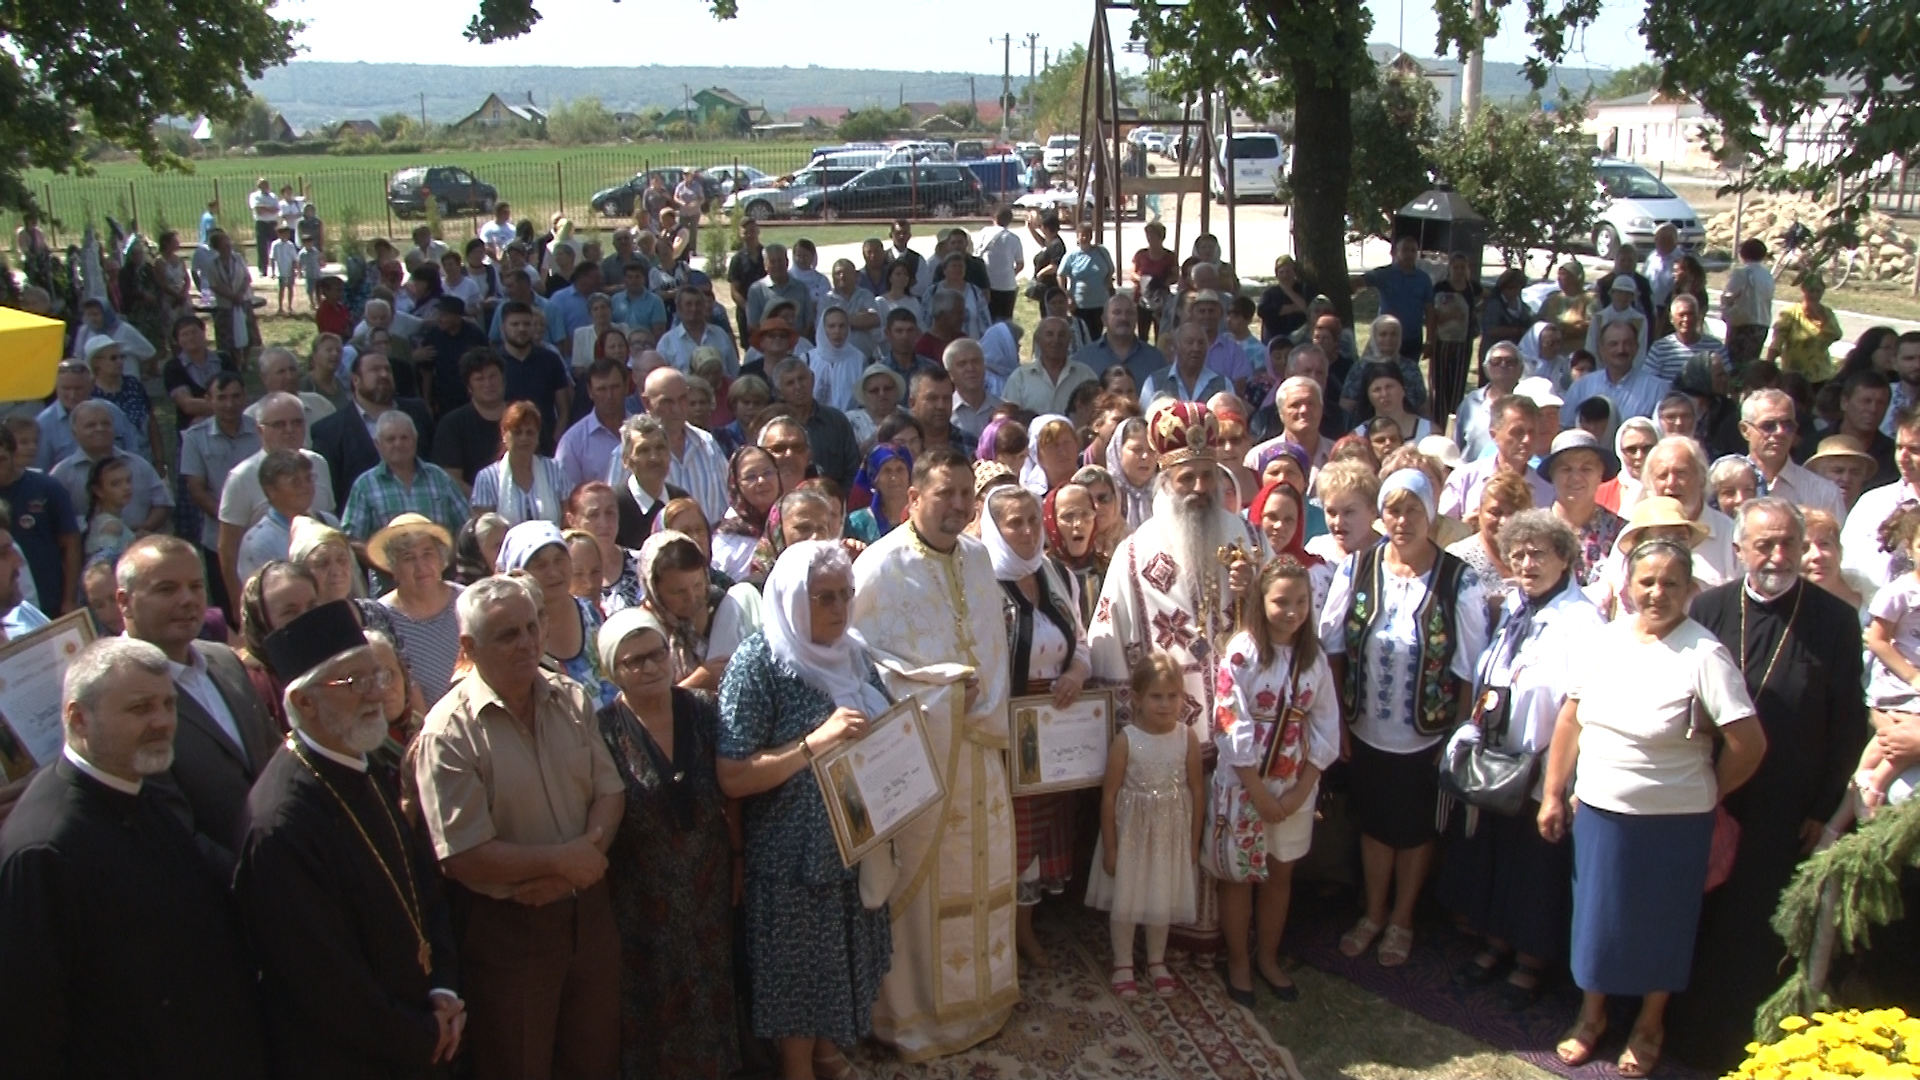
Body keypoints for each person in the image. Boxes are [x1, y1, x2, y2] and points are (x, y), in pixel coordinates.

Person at [1537, 538, 1766, 1078]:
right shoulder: (1604, 639)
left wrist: (1710, 790)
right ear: (1629, 585)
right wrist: (1552, 791)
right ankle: (1591, 1018)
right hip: (1599, 812)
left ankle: (1648, 1026)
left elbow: (1749, 744)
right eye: (1647, 581)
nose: (1657, 592)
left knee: (1662, 926)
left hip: (1675, 823)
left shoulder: (1704, 653)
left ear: (1689, 589)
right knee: (1596, 921)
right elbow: (1570, 719)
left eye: (1670, 583)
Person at [0, 638, 269, 1079]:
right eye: (141, 708)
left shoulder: (141, 792)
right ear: (78, 718)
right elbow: (27, 1030)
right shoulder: (45, 849)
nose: (163, 722)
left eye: (167, 705)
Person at [1667, 498, 1870, 1070]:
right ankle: (1673, 1032)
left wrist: (1825, 806)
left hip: (1785, 803)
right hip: (1706, 790)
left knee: (1753, 929)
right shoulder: (1708, 607)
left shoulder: (1833, 620)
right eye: (1764, 545)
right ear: (1739, 550)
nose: (1777, 556)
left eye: (1788, 544)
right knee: (1696, 917)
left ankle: (1738, 1049)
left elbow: (1847, 722)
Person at [234, 602, 465, 1080]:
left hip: (426, 1030)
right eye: (352, 682)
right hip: (357, 1056)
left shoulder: (364, 764)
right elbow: (322, 978)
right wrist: (420, 1032)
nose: (374, 695)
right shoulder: (281, 823)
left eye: (376, 677)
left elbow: (423, 888)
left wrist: (443, 988)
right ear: (302, 703)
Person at [411, 576, 623, 1080]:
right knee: (519, 1063)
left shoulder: (570, 699)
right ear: (469, 646)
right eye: (508, 634)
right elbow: (462, 854)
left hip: (589, 916)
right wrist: (560, 864)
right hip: (510, 932)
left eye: (532, 627)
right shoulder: (448, 732)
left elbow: (610, 792)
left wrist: (577, 867)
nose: (527, 643)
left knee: (596, 1061)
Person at [849, 448, 1016, 1061]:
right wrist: (941, 691)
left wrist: (978, 705)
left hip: (977, 746)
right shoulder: (880, 566)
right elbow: (862, 667)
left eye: (964, 493)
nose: (956, 505)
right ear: (913, 497)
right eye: (943, 493)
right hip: (921, 755)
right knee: (920, 885)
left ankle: (984, 999)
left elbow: (993, 646)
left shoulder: (977, 558)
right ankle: (913, 1017)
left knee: (982, 873)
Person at [1089, 402, 1265, 951]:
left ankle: (1223, 934)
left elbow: (1281, 622)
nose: (1197, 486)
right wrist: (1131, 727)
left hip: (1236, 728)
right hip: (1165, 729)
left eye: (1207, 475)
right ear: (1165, 478)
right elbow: (1107, 637)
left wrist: (1250, 594)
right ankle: (1161, 934)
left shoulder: (1248, 541)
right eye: (1185, 475)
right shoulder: (1135, 550)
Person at [718, 541, 894, 1080]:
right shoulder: (760, 663)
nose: (840, 609)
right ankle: (797, 1069)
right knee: (797, 975)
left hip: (853, 843)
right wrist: (815, 743)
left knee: (840, 959)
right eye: (824, 598)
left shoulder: (854, 652)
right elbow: (732, 774)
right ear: (794, 599)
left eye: (846, 595)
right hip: (793, 858)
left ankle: (824, 1051)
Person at [1319, 470, 1488, 968]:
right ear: (1380, 514)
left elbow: (1467, 668)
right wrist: (1340, 722)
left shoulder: (1459, 579)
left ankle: (1402, 920)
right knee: (1375, 826)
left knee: (1415, 832)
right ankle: (1372, 913)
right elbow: (1332, 648)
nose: (1402, 519)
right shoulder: (1357, 568)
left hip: (1426, 735)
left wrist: (1455, 734)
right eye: (1393, 509)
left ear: (1431, 513)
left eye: (1413, 508)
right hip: (1367, 727)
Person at [1438, 510, 1601, 1009]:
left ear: (1565, 559)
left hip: (1544, 765)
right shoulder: (1513, 605)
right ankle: (1497, 943)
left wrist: (1559, 781)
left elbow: (1580, 701)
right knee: (1498, 854)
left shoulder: (1582, 620)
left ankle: (1531, 961)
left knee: (1536, 865)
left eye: (1538, 554)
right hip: (1498, 760)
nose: (1527, 563)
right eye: (1519, 554)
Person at [595, 606, 740, 1079]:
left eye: (655, 654)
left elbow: (730, 793)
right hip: (642, 894)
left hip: (709, 883)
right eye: (632, 661)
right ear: (611, 670)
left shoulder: (701, 710)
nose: (649, 667)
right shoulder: (603, 731)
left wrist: (738, 860)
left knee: (713, 989)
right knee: (654, 1001)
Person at [1208, 559, 1340, 1005]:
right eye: (1281, 601)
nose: (1292, 611)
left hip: (1294, 787)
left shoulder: (1314, 657)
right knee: (1240, 876)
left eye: (1301, 602)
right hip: (1245, 785)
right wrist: (1258, 791)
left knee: (1280, 873)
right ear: (1262, 602)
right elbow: (1229, 719)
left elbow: (1325, 725)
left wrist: (1302, 789)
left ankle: (1268, 956)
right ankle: (1239, 961)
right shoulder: (1242, 653)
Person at [117, 535, 281, 864]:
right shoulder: (117, 695)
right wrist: (253, 882)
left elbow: (275, 758)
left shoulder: (225, 661)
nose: (188, 600)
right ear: (124, 602)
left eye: (195, 586)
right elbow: (170, 834)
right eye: (167, 589)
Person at [982, 485, 1091, 968]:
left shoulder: (1055, 573)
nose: (1027, 532)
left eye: (1032, 520)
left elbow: (1082, 642)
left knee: (1046, 832)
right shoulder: (982, 582)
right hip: (1010, 729)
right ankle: (1007, 937)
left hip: (1057, 724)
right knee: (1016, 837)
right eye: (1014, 523)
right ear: (993, 528)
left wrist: (1075, 674)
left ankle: (1029, 927)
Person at [1085, 651, 1203, 999]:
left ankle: (1156, 960)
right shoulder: (1126, 741)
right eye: (1156, 696)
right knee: (1128, 897)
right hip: (1132, 834)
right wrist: (1111, 846)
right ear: (1136, 698)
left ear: (1183, 697)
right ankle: (1123, 962)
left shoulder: (1187, 738)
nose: (1165, 704)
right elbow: (1108, 797)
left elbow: (1197, 791)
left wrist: (1193, 842)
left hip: (1170, 835)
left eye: (1172, 696)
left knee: (1159, 895)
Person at [638, 529, 760, 693]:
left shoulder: (721, 607)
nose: (691, 597)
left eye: (697, 585)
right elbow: (644, 704)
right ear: (654, 591)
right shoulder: (643, 634)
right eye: (677, 591)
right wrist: (698, 681)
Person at [370, 515, 466, 707]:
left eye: (427, 554)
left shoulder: (467, 601)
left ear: (441, 560)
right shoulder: (381, 618)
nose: (421, 566)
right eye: (408, 558)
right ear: (393, 569)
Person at [1740, 388, 1848, 522]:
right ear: (1745, 430)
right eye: (1768, 426)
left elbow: (1835, 542)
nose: (1780, 432)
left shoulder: (1825, 493)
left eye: (1788, 425)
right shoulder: (1724, 488)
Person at [1440, 395, 1552, 518]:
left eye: (1532, 432)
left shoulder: (1547, 492)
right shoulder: (1465, 479)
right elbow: (1443, 531)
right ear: (1494, 435)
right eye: (1518, 432)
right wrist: (1465, 527)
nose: (1527, 440)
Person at [1539, 430, 1624, 584]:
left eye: (1586, 469)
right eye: (1566, 469)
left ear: (1600, 474)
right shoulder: (1534, 531)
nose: (1576, 477)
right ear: (1552, 474)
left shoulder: (1621, 533)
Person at [471, 401, 573, 527]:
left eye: (529, 432)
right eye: (517, 432)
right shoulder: (487, 478)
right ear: (504, 434)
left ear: (537, 436)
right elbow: (484, 532)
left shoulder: (555, 470)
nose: (523, 438)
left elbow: (569, 519)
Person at [612, 414, 691, 547]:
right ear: (626, 460)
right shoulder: (614, 506)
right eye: (644, 450)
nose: (654, 457)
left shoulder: (681, 500)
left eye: (660, 448)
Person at [565, 482, 642, 616]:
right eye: (593, 514)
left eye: (610, 513)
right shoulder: (563, 571)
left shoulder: (641, 564)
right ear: (572, 520)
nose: (604, 523)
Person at [1006, 317, 1100, 416]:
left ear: (1069, 340)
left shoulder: (1085, 375)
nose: (1056, 340)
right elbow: (1010, 417)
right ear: (1038, 340)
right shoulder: (1020, 377)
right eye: (1049, 334)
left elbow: (1097, 412)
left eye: (1062, 335)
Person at [1767, 272, 1844, 384]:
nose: (1814, 295)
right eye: (1811, 291)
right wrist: (1769, 365)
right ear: (1803, 291)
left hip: (1821, 374)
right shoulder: (1791, 313)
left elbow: (1836, 334)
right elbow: (1777, 342)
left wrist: (1820, 317)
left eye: (1818, 291)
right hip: (1794, 374)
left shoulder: (1827, 313)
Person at [1454, 342, 1525, 463]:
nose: (1503, 365)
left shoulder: (1528, 401)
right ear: (1486, 369)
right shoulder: (1471, 402)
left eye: (1510, 361)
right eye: (1496, 361)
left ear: (1521, 368)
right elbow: (1456, 444)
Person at [1720, 238, 1775, 366]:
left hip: (1742, 323)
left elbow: (1729, 295)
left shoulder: (1742, 273)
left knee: (1734, 362)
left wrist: (1725, 312)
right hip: (1762, 323)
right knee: (1752, 362)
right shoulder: (1767, 275)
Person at [846, 441, 912, 543]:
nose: (894, 478)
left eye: (900, 470)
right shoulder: (857, 523)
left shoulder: (922, 518)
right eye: (887, 471)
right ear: (874, 479)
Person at [1597, 416, 1659, 515]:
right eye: (1631, 449)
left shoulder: (1671, 490)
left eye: (1647, 448)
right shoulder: (1599, 494)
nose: (1639, 456)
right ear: (1620, 451)